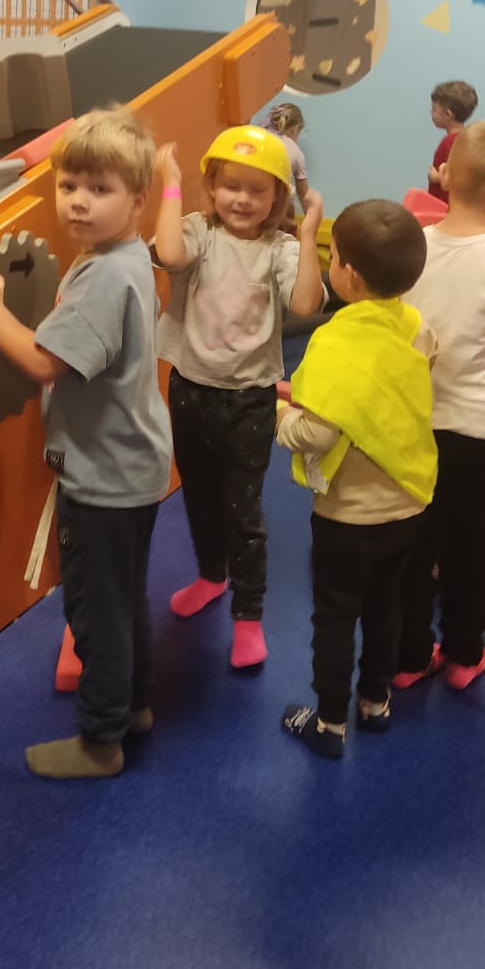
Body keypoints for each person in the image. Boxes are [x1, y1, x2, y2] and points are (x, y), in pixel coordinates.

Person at [0, 106, 172, 780]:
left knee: (95, 610)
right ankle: (133, 706)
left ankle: (100, 742)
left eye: (99, 189)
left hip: (104, 476)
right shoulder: (121, 257)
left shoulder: (104, 276)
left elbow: (44, 362)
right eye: (68, 185)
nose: (78, 201)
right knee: (124, 598)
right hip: (132, 465)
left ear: (137, 200)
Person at [153, 125, 324, 669]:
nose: (243, 199)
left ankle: (248, 615)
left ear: (277, 197)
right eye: (231, 186)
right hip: (189, 389)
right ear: (211, 186)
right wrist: (170, 183)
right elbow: (168, 254)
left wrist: (309, 232)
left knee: (242, 511)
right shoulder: (198, 232)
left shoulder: (278, 248)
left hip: (249, 399)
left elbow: (305, 305)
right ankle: (211, 575)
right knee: (199, 497)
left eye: (257, 189)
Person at [276, 200, 438, 760]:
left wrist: (281, 415)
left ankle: (327, 723)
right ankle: (375, 702)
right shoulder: (417, 327)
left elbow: (316, 435)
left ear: (346, 273)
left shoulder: (334, 342)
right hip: (408, 502)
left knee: (336, 615)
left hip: (349, 515)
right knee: (386, 604)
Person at [395, 121, 485, 691]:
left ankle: (408, 659)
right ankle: (462, 655)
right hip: (483, 431)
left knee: (413, 545)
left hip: (413, 424)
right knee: (473, 549)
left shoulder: (412, 246)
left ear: (445, 175)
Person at [428, 79, 478, 201]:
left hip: (444, 204)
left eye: (434, 109)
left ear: (448, 114)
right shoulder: (465, 138)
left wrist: (436, 177)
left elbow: (460, 176)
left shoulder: (450, 143)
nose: (431, 112)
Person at [261, 102, 309, 215]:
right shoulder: (295, 151)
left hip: (253, 198)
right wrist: (310, 215)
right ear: (296, 129)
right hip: (276, 207)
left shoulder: (258, 137)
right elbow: (303, 192)